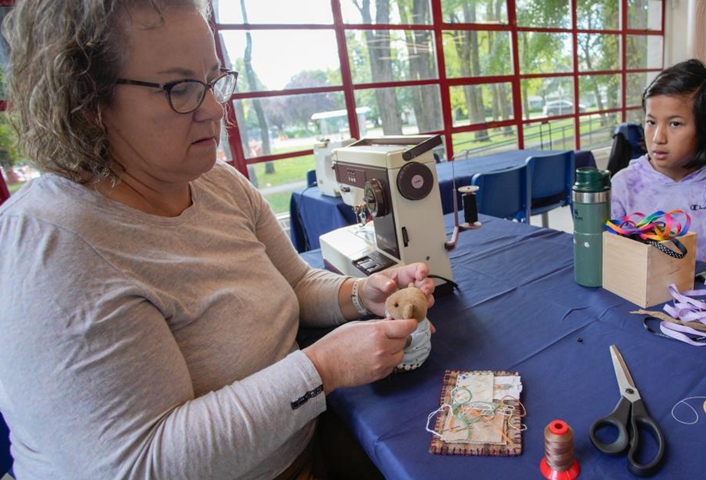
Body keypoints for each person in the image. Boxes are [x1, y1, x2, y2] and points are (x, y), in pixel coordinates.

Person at [0, 0, 435, 478]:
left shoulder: (216, 182)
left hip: (309, 447)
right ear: (87, 105)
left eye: (213, 80)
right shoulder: (49, 251)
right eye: (180, 88)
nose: (213, 109)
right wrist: (323, 369)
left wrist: (360, 294)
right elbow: (137, 465)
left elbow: (294, 284)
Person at [611, 59, 706, 268]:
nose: (658, 137)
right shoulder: (624, 184)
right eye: (651, 122)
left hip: (705, 297)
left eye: (675, 123)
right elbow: (610, 253)